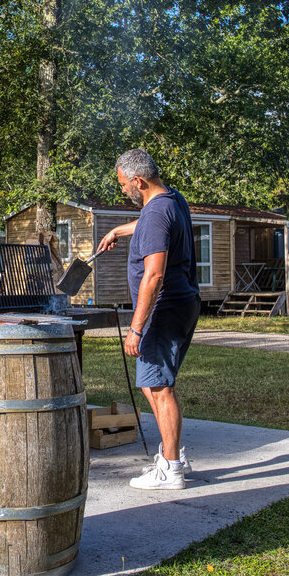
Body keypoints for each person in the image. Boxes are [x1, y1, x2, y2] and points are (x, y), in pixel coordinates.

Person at [97, 148, 199, 490]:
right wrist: (118, 231)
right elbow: (154, 221)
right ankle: (174, 456)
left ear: (138, 181)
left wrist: (136, 329)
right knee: (150, 383)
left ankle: (170, 469)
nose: (122, 189)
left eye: (124, 183)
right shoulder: (172, 200)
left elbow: (153, 277)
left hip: (163, 309)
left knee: (159, 386)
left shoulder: (155, 214)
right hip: (184, 303)